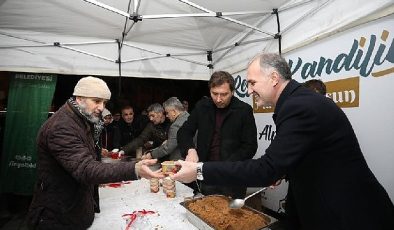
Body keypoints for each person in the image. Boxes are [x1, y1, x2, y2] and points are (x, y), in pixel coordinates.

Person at [171, 53, 394, 230]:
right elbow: (311, 153)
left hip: (349, 215)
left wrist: (200, 170)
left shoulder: (299, 106)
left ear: (274, 78)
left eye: (252, 83)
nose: (249, 90)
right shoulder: (296, 102)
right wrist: (284, 170)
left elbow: (266, 169)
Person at [27, 76, 162, 229]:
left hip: (74, 209)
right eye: (96, 101)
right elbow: (86, 168)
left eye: (104, 103)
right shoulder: (61, 127)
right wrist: (134, 169)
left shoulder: (81, 118)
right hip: (58, 216)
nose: (101, 107)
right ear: (79, 98)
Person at [177, 71, 257, 199]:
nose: (219, 99)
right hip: (206, 175)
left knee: (232, 215)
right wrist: (190, 150)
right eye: (215, 94)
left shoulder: (244, 110)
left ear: (232, 91)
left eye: (224, 94)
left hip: (233, 177)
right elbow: (184, 132)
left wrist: (225, 166)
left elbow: (250, 146)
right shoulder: (202, 106)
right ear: (209, 91)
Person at [142, 97, 189, 162]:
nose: (166, 116)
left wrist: (151, 154)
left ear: (174, 112)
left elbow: (168, 148)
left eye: (167, 113)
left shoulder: (175, 125)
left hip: (180, 162)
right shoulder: (189, 117)